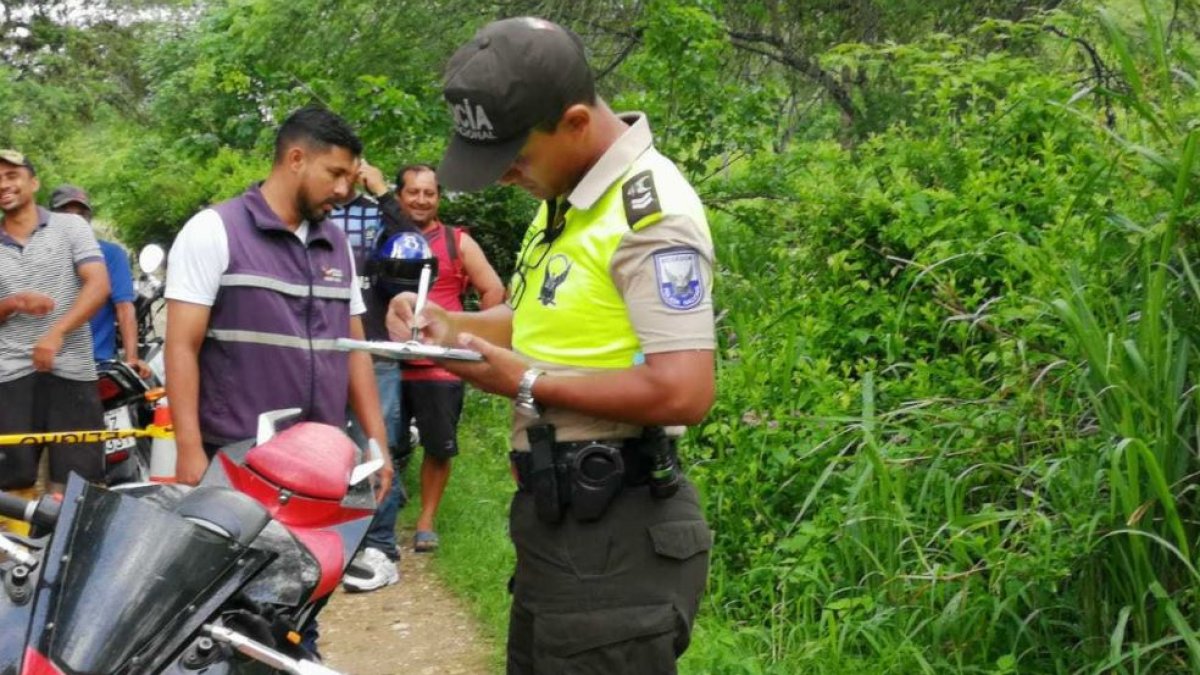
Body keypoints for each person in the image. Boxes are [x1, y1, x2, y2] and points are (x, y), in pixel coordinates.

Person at [387, 18, 715, 674]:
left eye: (516, 157)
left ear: (573, 123)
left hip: (617, 533)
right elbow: (537, 320)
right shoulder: (564, 198)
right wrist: (447, 326)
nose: (506, 176)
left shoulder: (651, 213)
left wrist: (529, 382)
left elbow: (685, 388)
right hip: (558, 527)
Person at [164, 106, 393, 655]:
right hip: (237, 464)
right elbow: (182, 345)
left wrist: (376, 442)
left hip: (320, 471)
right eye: (335, 174)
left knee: (301, 598)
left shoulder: (335, 244)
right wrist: (190, 451)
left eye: (350, 176)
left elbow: (354, 348)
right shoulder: (214, 229)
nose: (345, 189)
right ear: (295, 159)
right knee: (224, 609)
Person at [392, 163, 504, 554]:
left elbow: (493, 289)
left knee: (438, 446)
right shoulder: (384, 238)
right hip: (386, 359)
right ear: (398, 196)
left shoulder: (457, 242)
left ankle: (425, 521)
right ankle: (380, 516)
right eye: (413, 192)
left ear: (437, 198)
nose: (421, 200)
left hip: (441, 365)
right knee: (383, 442)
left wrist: (473, 335)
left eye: (429, 193)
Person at [0, 150, 110, 519]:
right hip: (9, 375)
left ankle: (68, 563)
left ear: (33, 182)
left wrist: (57, 333)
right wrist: (13, 302)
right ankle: (10, 567)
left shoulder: (70, 227)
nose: (4, 183)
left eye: (12, 174)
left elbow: (98, 284)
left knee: (77, 483)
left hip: (72, 369)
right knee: (11, 481)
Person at [328, 158, 417, 591]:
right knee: (327, 447)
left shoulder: (378, 213)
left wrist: (383, 194)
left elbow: (413, 245)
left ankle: (380, 547)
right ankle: (332, 543)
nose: (341, 181)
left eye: (349, 171)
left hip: (376, 345)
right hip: (321, 349)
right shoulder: (314, 212)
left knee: (375, 445)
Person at [49, 184, 149, 378]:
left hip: (97, 363)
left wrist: (132, 359)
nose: (75, 220)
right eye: (66, 214)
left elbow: (124, 308)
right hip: (47, 362)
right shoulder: (38, 254)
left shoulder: (111, 254)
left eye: (81, 214)